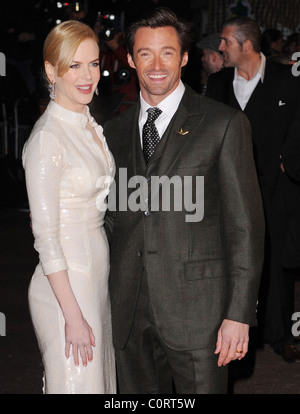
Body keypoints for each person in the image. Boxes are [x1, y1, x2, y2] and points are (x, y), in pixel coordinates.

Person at [104, 7, 264, 394]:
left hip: (201, 314)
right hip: (128, 313)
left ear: (185, 57)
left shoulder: (224, 124)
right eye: (145, 53)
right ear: (130, 58)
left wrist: (238, 315)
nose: (157, 64)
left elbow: (245, 227)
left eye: (168, 53)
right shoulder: (112, 132)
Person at [22, 20, 116, 394]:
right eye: (74, 65)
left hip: (94, 280)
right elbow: (45, 238)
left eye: (93, 63)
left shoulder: (87, 122)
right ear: (51, 71)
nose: (88, 75)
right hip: (66, 289)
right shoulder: (48, 138)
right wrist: (72, 315)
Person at [206, 16, 300, 363]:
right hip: (228, 191)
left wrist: (288, 161)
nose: (220, 48)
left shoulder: (288, 80)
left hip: (276, 189)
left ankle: (279, 335)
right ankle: (235, 328)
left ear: (246, 45)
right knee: (232, 260)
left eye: (225, 42)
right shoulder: (216, 84)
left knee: (276, 262)